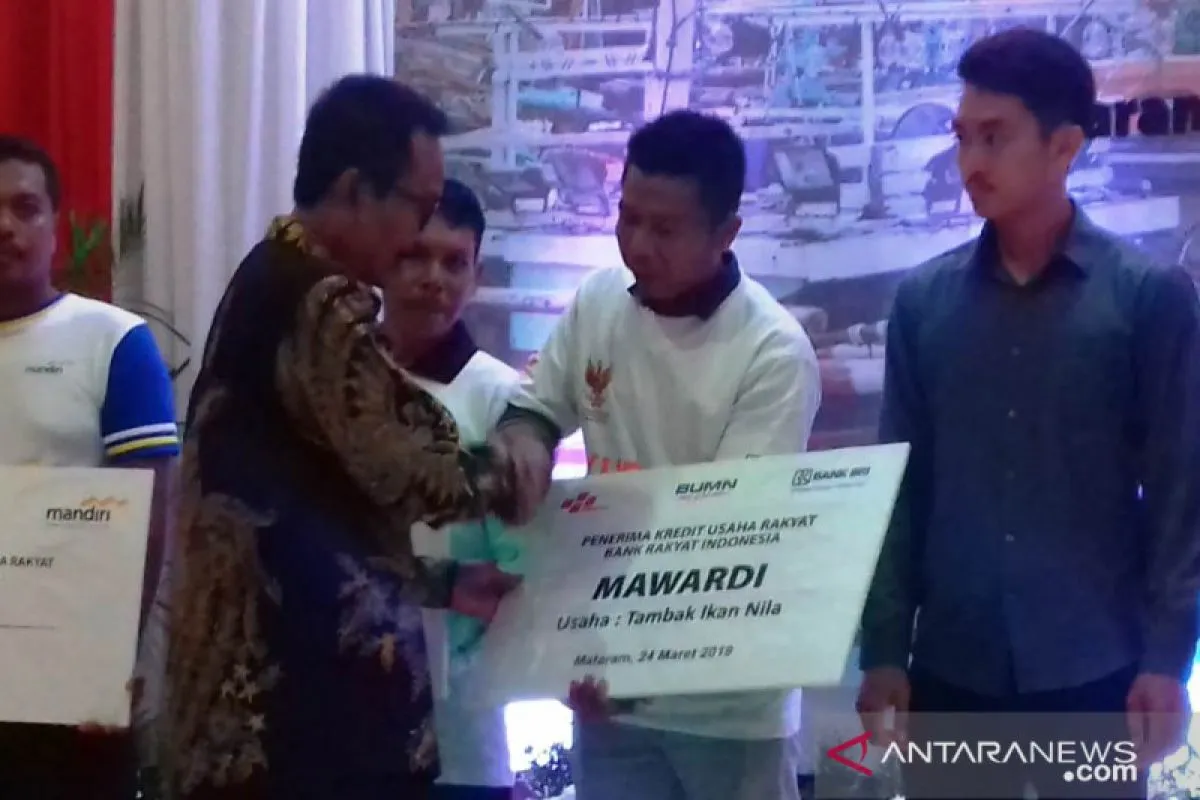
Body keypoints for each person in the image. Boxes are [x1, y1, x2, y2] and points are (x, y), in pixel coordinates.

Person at [857, 28, 1200, 800]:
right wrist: (883, 650)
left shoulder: (1148, 298)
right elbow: (899, 491)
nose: (969, 162)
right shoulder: (923, 303)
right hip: (952, 667)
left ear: (1064, 146)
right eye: (962, 137)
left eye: (995, 137)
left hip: (1098, 671)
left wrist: (1166, 659)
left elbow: (1180, 494)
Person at [161, 76, 521, 800]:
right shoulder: (318, 298)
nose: (420, 234)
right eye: (417, 207)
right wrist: (511, 469)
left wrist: (443, 584)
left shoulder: (270, 271)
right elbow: (402, 465)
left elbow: (320, 511)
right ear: (356, 190)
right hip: (299, 715)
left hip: (257, 703)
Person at [492, 110, 822, 800]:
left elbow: (726, 535)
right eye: (628, 217)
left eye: (665, 229)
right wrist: (523, 449)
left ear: (726, 233)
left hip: (730, 701)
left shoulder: (772, 351)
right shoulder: (598, 302)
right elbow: (535, 408)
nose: (638, 245)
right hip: (607, 688)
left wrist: (622, 651)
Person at [0, 135, 179, 799]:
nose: (5, 226)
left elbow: (148, 516)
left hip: (68, 689)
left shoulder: (112, 341)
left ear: (55, 223)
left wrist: (108, 662)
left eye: (25, 208)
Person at [382, 178, 523, 800]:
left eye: (454, 262)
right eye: (416, 255)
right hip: (346, 717)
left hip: (464, 727)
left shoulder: (503, 400)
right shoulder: (337, 382)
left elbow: (518, 565)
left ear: (476, 273)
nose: (433, 279)